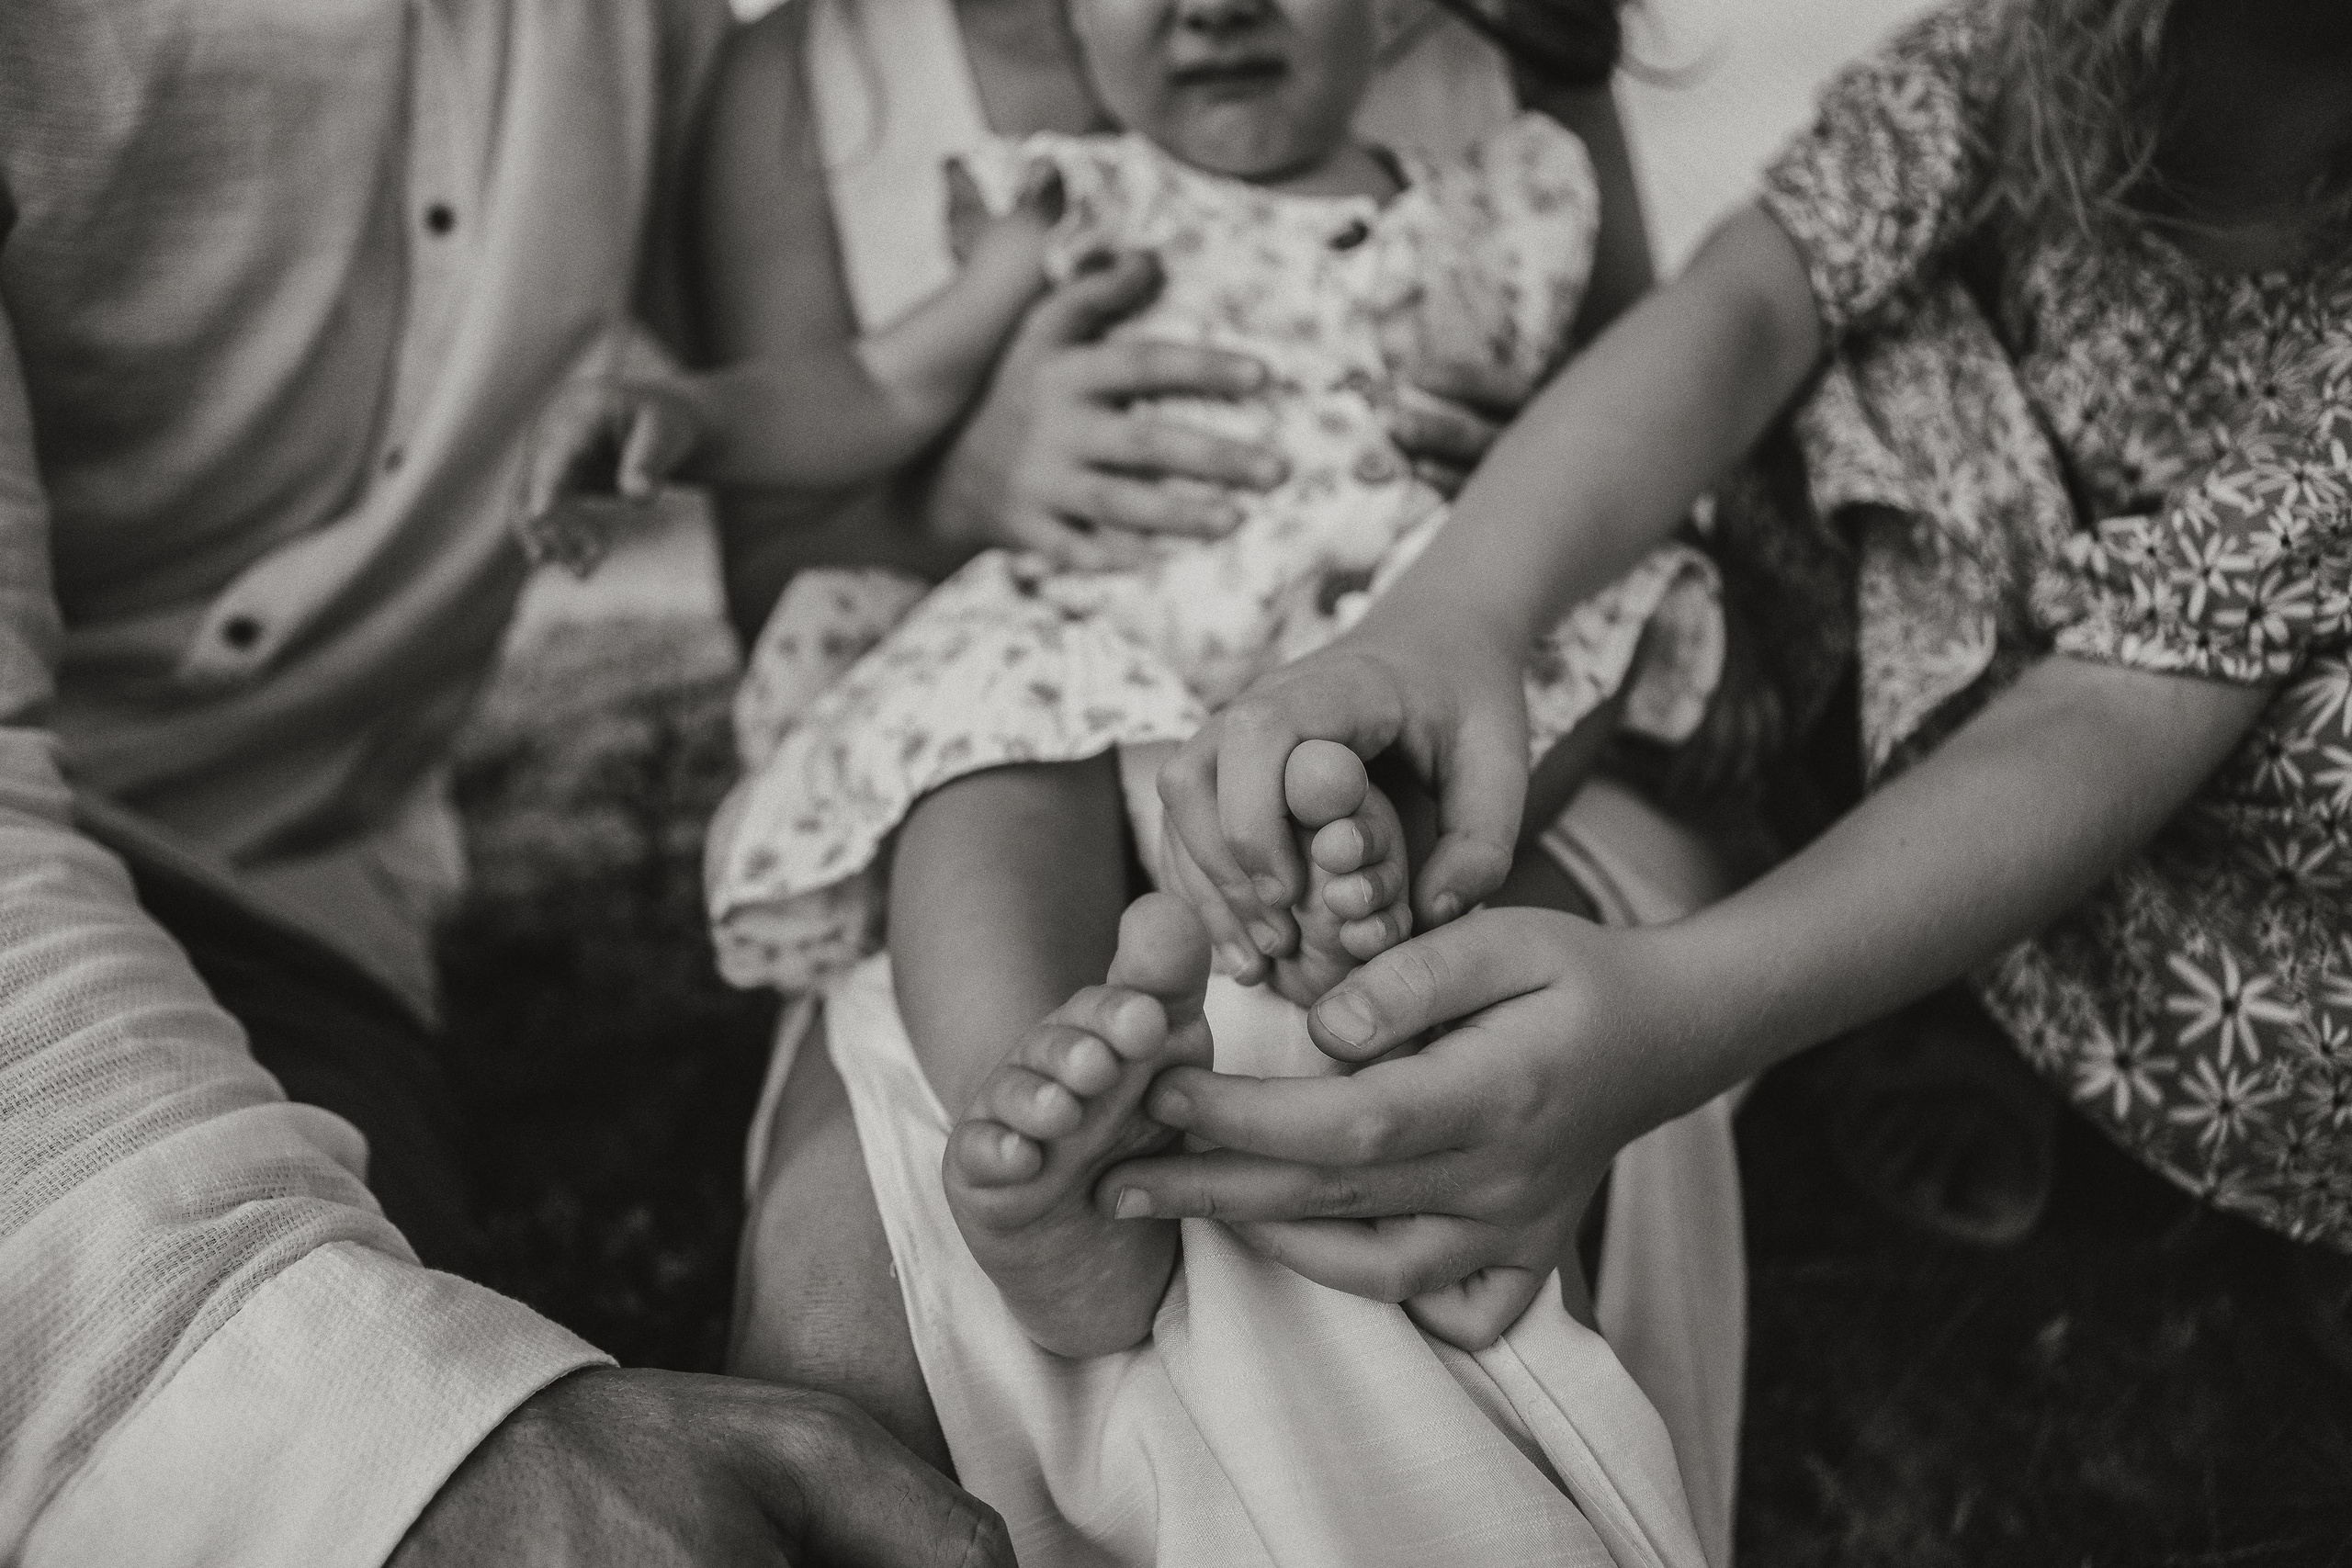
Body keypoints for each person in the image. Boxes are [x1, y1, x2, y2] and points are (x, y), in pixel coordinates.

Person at [1132, 0, 2352, 1360]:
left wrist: (1674, 1017)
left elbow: (2117, 709)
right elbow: (1750, 302)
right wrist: (1445, 613)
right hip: (1971, 617)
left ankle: (2015, 1042)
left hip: (2227, 821)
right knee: (1844, 354)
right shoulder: (2033, 55)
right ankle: (1922, 984)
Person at [0, 3, 1012, 1562]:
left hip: (307, 918)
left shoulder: (660, 46)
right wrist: (334, 1413)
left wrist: (973, 447)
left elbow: (820, 387)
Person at [625, 0, 1716, 1360]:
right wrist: (696, 419)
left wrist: (1541, 451)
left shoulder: (1509, 200)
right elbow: (870, 385)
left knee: (1561, 628)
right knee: (979, 759)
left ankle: (1382, 892)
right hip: (1105, 639)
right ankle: (1032, 1130)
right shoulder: (1076, 200)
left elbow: (1655, 424)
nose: (1216, 7)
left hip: (1370, 640)